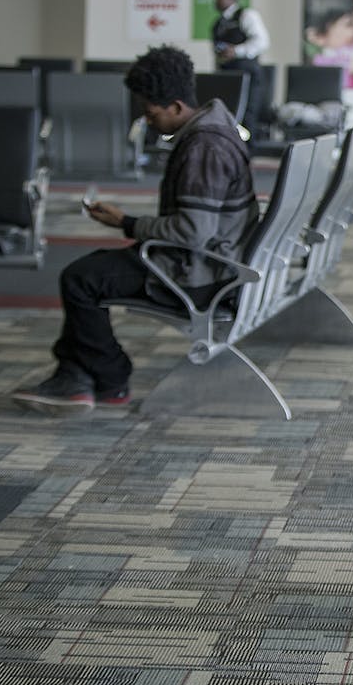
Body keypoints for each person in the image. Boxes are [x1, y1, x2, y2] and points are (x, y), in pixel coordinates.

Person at [13, 45, 259, 414]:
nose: (148, 121)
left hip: (198, 272)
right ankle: (76, 375)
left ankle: (108, 378)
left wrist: (126, 223)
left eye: (151, 112)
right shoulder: (215, 128)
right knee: (92, 269)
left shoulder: (203, 148)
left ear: (176, 106)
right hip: (216, 260)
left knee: (81, 279)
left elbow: (192, 232)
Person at [211, 0, 271, 139]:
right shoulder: (218, 23)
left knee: (247, 115)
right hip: (226, 74)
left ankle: (248, 154)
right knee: (227, 114)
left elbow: (262, 41)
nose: (215, 1)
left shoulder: (247, 15)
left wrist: (236, 51)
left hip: (247, 74)